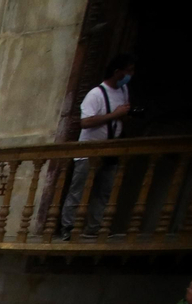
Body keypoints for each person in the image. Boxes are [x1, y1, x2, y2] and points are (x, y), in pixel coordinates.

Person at [60, 54, 135, 238]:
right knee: (79, 189)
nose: (130, 75)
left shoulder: (123, 90)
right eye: (128, 71)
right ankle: (68, 227)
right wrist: (114, 115)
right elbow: (85, 122)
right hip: (90, 150)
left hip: (112, 148)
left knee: (105, 190)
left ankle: (95, 226)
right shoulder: (96, 94)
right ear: (117, 72)